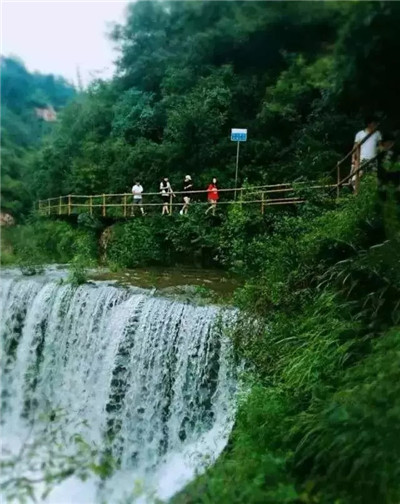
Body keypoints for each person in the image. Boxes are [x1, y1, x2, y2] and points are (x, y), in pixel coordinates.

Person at [351, 117, 383, 188]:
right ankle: (357, 193)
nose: (375, 125)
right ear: (369, 124)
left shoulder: (377, 133)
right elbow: (355, 147)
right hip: (362, 159)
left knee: (373, 178)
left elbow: (380, 146)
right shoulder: (359, 134)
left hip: (373, 160)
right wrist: (353, 158)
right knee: (356, 178)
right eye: (374, 123)